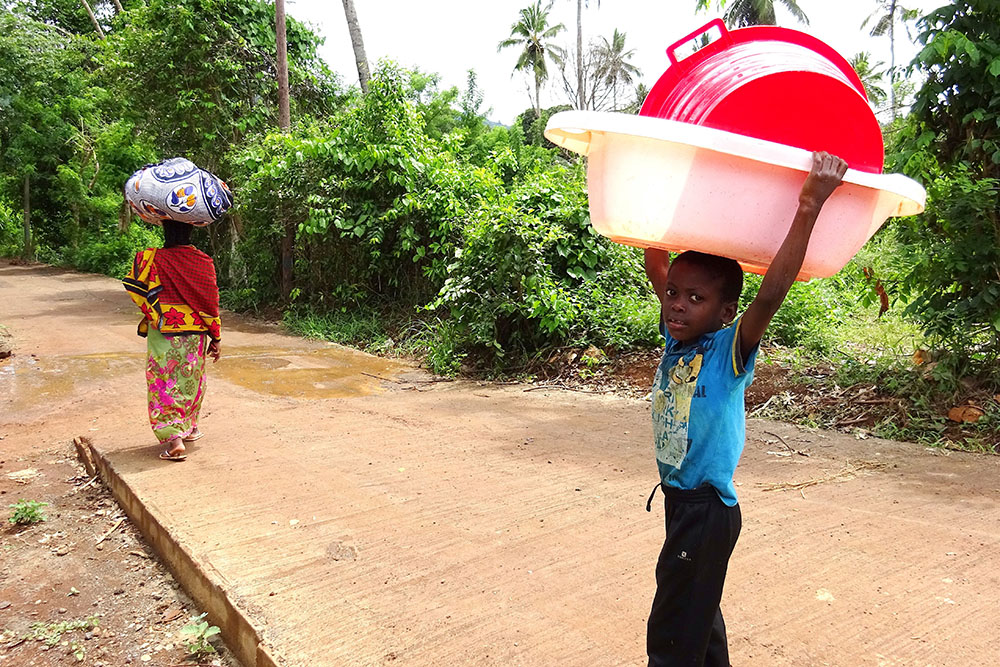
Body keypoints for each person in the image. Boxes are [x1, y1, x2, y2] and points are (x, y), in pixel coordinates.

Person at [642, 151, 848, 666]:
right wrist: (653, 182)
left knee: (673, 634)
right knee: (699, 620)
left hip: (706, 510)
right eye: (673, 294)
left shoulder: (727, 352)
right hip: (680, 503)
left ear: (726, 312)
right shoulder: (677, 339)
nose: (676, 303)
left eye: (695, 298)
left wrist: (809, 205)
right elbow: (656, 262)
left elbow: (770, 296)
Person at [123, 218, 222, 462]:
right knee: (192, 379)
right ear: (191, 230)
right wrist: (216, 336)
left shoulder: (150, 258)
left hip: (163, 329)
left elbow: (136, 289)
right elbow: (211, 301)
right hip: (196, 332)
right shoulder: (203, 262)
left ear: (165, 231)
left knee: (163, 382)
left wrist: (153, 310)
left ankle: (175, 440)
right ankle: (191, 428)